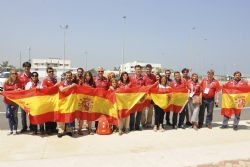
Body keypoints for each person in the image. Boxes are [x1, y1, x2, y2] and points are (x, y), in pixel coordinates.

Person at [57, 71, 77, 138]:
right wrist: (71, 86)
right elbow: (62, 90)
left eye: (70, 75)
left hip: (70, 103)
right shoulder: (61, 83)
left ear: (71, 76)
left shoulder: (74, 84)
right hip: (62, 102)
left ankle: (69, 130)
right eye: (67, 75)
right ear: (65, 76)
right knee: (62, 116)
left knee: (69, 115)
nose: (68, 76)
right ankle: (61, 131)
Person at [3, 68, 21, 135]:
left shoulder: (18, 82)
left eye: (15, 73)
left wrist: (19, 90)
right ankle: (10, 129)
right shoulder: (6, 82)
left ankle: (15, 129)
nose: (14, 74)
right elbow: (3, 91)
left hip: (15, 102)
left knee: (14, 115)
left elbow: (21, 91)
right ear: (10, 74)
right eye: (13, 73)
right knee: (9, 115)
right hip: (7, 102)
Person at [42, 67, 58, 134]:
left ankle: (53, 128)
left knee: (54, 114)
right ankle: (48, 129)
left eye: (52, 71)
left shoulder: (55, 80)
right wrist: (53, 87)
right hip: (48, 99)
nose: (51, 72)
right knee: (48, 114)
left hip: (54, 99)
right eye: (49, 71)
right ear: (47, 72)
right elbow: (45, 89)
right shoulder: (45, 80)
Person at [79, 71, 96, 135]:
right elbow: (78, 90)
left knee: (90, 116)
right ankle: (80, 129)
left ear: (91, 76)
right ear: (85, 76)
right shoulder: (81, 82)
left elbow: (95, 91)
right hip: (82, 101)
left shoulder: (93, 83)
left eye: (89, 75)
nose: (88, 77)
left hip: (90, 101)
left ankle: (89, 129)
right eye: (86, 75)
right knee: (82, 116)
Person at [129, 65, 145, 131]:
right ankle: (131, 126)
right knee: (132, 113)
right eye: (137, 69)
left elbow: (145, 87)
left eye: (139, 69)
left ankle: (137, 126)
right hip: (133, 98)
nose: (138, 70)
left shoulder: (143, 78)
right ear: (135, 70)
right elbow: (128, 86)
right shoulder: (131, 78)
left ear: (141, 70)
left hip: (140, 98)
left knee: (139, 112)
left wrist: (143, 96)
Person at [18, 61, 32, 133]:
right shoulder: (20, 76)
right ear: (24, 67)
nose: (27, 68)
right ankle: (24, 127)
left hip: (31, 98)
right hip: (22, 98)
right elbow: (17, 86)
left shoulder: (33, 75)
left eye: (28, 67)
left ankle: (32, 127)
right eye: (25, 67)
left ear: (30, 67)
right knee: (23, 114)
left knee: (31, 113)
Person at [94, 67, 109, 131]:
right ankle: (96, 127)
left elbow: (108, 88)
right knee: (97, 114)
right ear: (97, 72)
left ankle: (104, 127)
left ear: (103, 72)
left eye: (101, 71)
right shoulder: (94, 79)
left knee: (104, 114)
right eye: (99, 71)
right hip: (96, 100)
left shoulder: (106, 80)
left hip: (104, 100)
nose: (100, 72)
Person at [141, 64, 156, 129]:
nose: (148, 70)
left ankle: (149, 123)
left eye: (149, 69)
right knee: (143, 110)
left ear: (151, 69)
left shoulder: (154, 76)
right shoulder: (143, 76)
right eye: (147, 69)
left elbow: (156, 84)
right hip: (145, 96)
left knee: (150, 110)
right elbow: (141, 86)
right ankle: (143, 123)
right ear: (145, 69)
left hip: (152, 96)